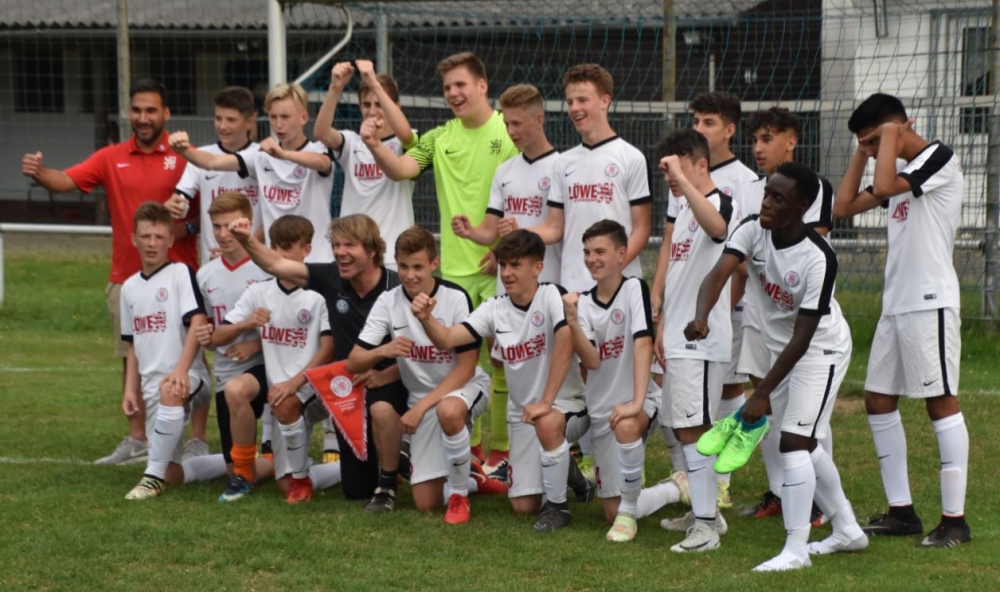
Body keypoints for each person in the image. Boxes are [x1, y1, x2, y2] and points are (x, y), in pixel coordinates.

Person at [689, 162, 867, 571]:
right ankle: (847, 529)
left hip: (819, 352)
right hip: (780, 353)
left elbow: (803, 337)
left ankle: (796, 549)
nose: (766, 203)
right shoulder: (752, 229)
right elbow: (717, 275)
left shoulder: (819, 258)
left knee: (794, 443)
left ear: (802, 206)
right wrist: (701, 317)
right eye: (766, 193)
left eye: (778, 198)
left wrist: (761, 393)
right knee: (806, 443)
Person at [21, 78, 202, 465]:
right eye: (136, 110)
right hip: (127, 280)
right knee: (131, 357)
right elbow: (65, 181)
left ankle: (197, 441)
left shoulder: (186, 157)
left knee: (196, 359)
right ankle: (137, 438)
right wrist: (39, 172)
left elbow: (210, 212)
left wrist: (183, 228)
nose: (143, 118)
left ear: (166, 114)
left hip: (182, 277)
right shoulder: (110, 157)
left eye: (151, 110)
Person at [361, 51, 519, 472]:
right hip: (456, 274)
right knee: (461, 364)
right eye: (447, 87)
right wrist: (374, 145)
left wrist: (500, 249)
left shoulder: (508, 131)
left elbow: (523, 191)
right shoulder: (438, 138)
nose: (453, 93)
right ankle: (472, 450)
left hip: (501, 267)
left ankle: (504, 452)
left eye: (461, 84)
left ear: (482, 86)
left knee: (505, 361)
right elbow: (401, 168)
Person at [833, 93, 971, 548]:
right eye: (867, 144)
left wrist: (890, 138)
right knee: (877, 399)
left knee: (940, 401)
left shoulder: (937, 158)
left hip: (930, 301)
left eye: (874, 141)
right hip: (896, 303)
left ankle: (955, 521)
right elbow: (843, 208)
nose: (874, 152)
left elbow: (887, 186)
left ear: (902, 126)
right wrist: (862, 151)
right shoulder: (894, 171)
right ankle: (901, 512)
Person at [410, 230, 590, 533]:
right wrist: (426, 318)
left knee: (547, 423)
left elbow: (566, 340)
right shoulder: (495, 308)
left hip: (565, 406)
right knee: (522, 506)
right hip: (523, 416)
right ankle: (569, 470)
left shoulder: (551, 295)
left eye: (516, 265)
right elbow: (448, 339)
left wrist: (546, 401)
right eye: (503, 264)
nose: (506, 273)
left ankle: (558, 508)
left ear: (537, 268)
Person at [228, 213, 409, 509]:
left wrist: (386, 374)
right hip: (347, 389)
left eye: (349, 245)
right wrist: (247, 239)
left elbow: (421, 349)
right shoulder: (331, 277)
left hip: (394, 382)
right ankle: (385, 460)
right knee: (357, 490)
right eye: (336, 245)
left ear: (371, 250)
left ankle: (404, 456)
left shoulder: (397, 286)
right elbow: (276, 265)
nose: (340, 252)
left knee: (385, 412)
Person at [347, 226, 506, 523]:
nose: (410, 275)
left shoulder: (454, 297)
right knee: (425, 502)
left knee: (449, 410)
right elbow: (354, 362)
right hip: (423, 400)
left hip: (463, 387)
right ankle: (471, 476)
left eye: (418, 267)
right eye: (403, 266)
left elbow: (466, 367)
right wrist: (383, 351)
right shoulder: (388, 301)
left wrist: (419, 408)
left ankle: (459, 496)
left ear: (435, 263)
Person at [450, 83, 561, 477]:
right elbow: (491, 230)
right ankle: (504, 452)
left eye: (517, 123)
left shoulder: (560, 167)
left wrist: (521, 232)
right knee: (505, 365)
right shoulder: (506, 171)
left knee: (553, 372)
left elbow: (557, 228)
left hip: (545, 286)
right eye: (507, 124)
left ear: (539, 120)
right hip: (508, 287)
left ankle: (565, 451)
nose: (511, 131)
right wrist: (472, 233)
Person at [562, 220, 687, 542]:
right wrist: (573, 321)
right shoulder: (582, 303)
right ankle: (675, 487)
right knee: (610, 510)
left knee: (628, 426)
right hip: (602, 413)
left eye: (600, 251)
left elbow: (643, 343)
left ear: (621, 255)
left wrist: (636, 402)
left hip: (640, 401)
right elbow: (592, 360)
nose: (592, 259)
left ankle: (629, 516)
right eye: (587, 252)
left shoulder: (634, 288)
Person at [738, 107, 834, 521]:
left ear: (791, 141)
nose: (758, 148)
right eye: (754, 140)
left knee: (806, 413)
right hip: (759, 312)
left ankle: (817, 501)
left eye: (767, 139)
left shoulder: (814, 188)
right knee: (767, 402)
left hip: (796, 316)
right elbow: (741, 251)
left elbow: (805, 245)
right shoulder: (749, 189)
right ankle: (779, 489)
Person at [674, 91, 759, 509]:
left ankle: (718, 482)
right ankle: (692, 480)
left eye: (708, 122)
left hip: (727, 305)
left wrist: (722, 306)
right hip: (694, 311)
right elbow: (674, 243)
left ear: (729, 130)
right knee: (688, 401)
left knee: (728, 386)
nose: (700, 128)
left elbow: (741, 256)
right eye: (696, 121)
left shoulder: (742, 181)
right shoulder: (683, 177)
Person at [651, 129, 735, 553]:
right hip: (678, 339)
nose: (671, 178)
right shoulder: (684, 208)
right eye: (666, 172)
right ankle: (707, 514)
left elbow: (719, 228)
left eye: (678, 168)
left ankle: (705, 528)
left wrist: (683, 182)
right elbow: (681, 273)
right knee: (682, 427)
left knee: (695, 430)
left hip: (700, 342)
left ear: (701, 165)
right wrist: (663, 321)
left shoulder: (719, 202)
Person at [212, 215, 335, 503]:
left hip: (315, 390)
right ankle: (244, 475)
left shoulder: (319, 294)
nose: (279, 255)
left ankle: (347, 468)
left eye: (287, 248)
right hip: (280, 395)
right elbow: (218, 338)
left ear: (306, 250)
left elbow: (328, 349)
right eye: (275, 247)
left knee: (287, 404)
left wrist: (293, 384)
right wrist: (246, 324)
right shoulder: (259, 291)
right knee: (235, 389)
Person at [169, 83, 335, 264]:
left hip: (317, 261)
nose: (278, 124)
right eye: (273, 117)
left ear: (304, 117)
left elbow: (323, 163)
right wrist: (183, 149)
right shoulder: (261, 156)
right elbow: (212, 161)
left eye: (285, 117)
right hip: (274, 264)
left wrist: (283, 154)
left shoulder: (319, 149)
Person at [121, 203, 220, 500]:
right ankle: (235, 460)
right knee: (172, 473)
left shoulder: (180, 273)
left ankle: (150, 479)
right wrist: (130, 390)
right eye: (146, 236)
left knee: (171, 389)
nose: (152, 243)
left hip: (189, 376)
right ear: (134, 239)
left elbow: (198, 322)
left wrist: (180, 370)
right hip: (152, 387)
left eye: (159, 237)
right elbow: (133, 344)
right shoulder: (128, 288)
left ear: (171, 240)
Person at [193, 192, 273, 501]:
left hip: (268, 366)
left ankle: (271, 466)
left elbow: (290, 325)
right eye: (217, 226)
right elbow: (209, 334)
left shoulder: (267, 268)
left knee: (245, 470)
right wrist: (218, 332)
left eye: (230, 226)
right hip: (226, 371)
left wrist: (255, 345)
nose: (223, 234)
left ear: (247, 224)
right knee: (235, 468)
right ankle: (276, 463)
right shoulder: (205, 275)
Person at [314, 59, 416, 271]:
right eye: (366, 104)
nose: (372, 111)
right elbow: (321, 133)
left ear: (395, 107)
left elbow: (406, 134)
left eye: (379, 104)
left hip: (392, 254)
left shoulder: (405, 142)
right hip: (353, 253)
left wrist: (374, 83)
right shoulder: (352, 142)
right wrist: (335, 88)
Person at [166, 86, 262, 265]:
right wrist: (174, 206)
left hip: (255, 264)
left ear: (249, 122)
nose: (223, 126)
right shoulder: (200, 157)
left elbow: (271, 216)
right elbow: (179, 200)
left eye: (231, 120)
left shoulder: (262, 156)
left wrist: (246, 248)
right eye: (218, 118)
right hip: (213, 262)